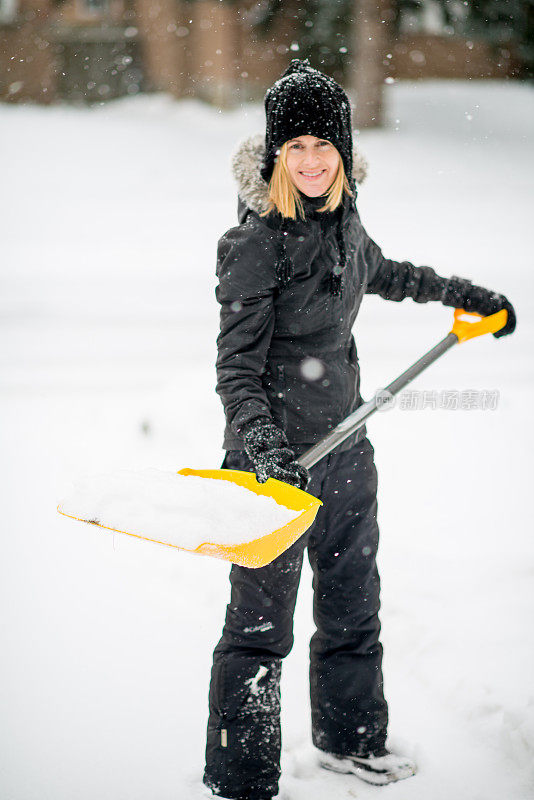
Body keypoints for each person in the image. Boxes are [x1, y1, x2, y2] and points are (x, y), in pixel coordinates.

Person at [202, 59, 516, 800]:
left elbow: (382, 271)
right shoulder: (253, 244)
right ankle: (240, 777)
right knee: (258, 628)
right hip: (272, 466)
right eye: (296, 147)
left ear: (343, 151)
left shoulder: (343, 220)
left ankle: (351, 742)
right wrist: (263, 448)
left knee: (352, 606)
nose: (311, 161)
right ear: (276, 154)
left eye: (324, 146)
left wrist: (460, 293)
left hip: (346, 448)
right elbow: (235, 373)